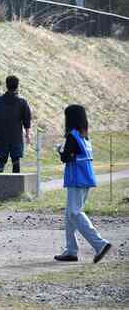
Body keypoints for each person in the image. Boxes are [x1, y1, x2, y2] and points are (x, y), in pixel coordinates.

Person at [54, 105, 112, 263]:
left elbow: (66, 158)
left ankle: (100, 244)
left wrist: (60, 150)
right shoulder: (84, 136)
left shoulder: (72, 136)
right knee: (69, 215)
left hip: (76, 179)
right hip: (86, 178)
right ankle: (71, 250)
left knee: (74, 212)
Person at [0, 75, 32, 173]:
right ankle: (16, 186)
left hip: (1, 135)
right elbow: (27, 120)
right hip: (16, 136)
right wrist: (27, 135)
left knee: (2, 159)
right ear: (17, 86)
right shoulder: (22, 102)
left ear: (6, 85)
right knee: (15, 161)